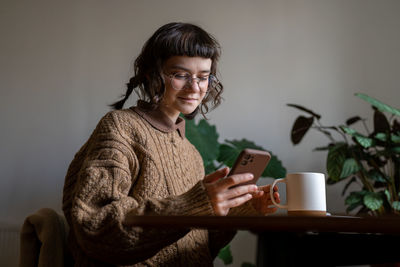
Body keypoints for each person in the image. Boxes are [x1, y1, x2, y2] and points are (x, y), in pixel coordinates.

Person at [62, 22, 280, 266]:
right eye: (180, 75)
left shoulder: (192, 153)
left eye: (203, 77)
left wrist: (240, 208)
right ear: (151, 74)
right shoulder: (120, 128)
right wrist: (196, 205)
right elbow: (95, 227)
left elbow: (200, 245)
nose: (195, 88)